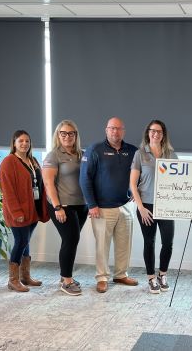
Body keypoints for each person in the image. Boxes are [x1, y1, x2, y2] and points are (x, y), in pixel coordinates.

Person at [80, 117, 139, 293]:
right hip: (102, 208)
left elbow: (141, 175)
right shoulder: (94, 150)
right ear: (106, 130)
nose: (115, 132)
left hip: (126, 206)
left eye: (119, 129)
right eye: (112, 128)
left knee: (124, 244)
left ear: (124, 131)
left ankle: (121, 274)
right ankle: (102, 277)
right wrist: (91, 204)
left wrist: (139, 194)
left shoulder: (132, 151)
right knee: (102, 245)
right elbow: (84, 179)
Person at [129, 120, 177, 294]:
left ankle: (162, 274)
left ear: (163, 135)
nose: (155, 134)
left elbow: (179, 182)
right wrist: (141, 208)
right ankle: (151, 278)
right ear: (148, 133)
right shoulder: (140, 154)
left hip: (166, 205)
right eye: (152, 131)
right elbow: (133, 184)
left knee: (168, 243)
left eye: (159, 131)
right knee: (149, 242)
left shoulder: (171, 155)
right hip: (146, 206)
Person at [0, 130, 49, 293]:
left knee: (25, 241)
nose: (24, 144)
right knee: (21, 241)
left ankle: (25, 277)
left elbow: (39, 184)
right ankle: (13, 280)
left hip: (32, 209)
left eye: (27, 141)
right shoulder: (9, 162)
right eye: (20, 141)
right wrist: (16, 212)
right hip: (18, 211)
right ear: (14, 143)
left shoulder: (32, 160)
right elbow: (8, 190)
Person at [42, 120, 88, 296]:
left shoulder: (81, 154)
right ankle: (66, 281)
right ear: (58, 135)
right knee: (71, 240)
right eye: (63, 133)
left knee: (71, 240)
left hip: (81, 206)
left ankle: (65, 276)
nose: (67, 137)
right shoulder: (53, 156)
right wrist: (57, 207)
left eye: (71, 133)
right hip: (62, 206)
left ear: (76, 135)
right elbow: (48, 183)